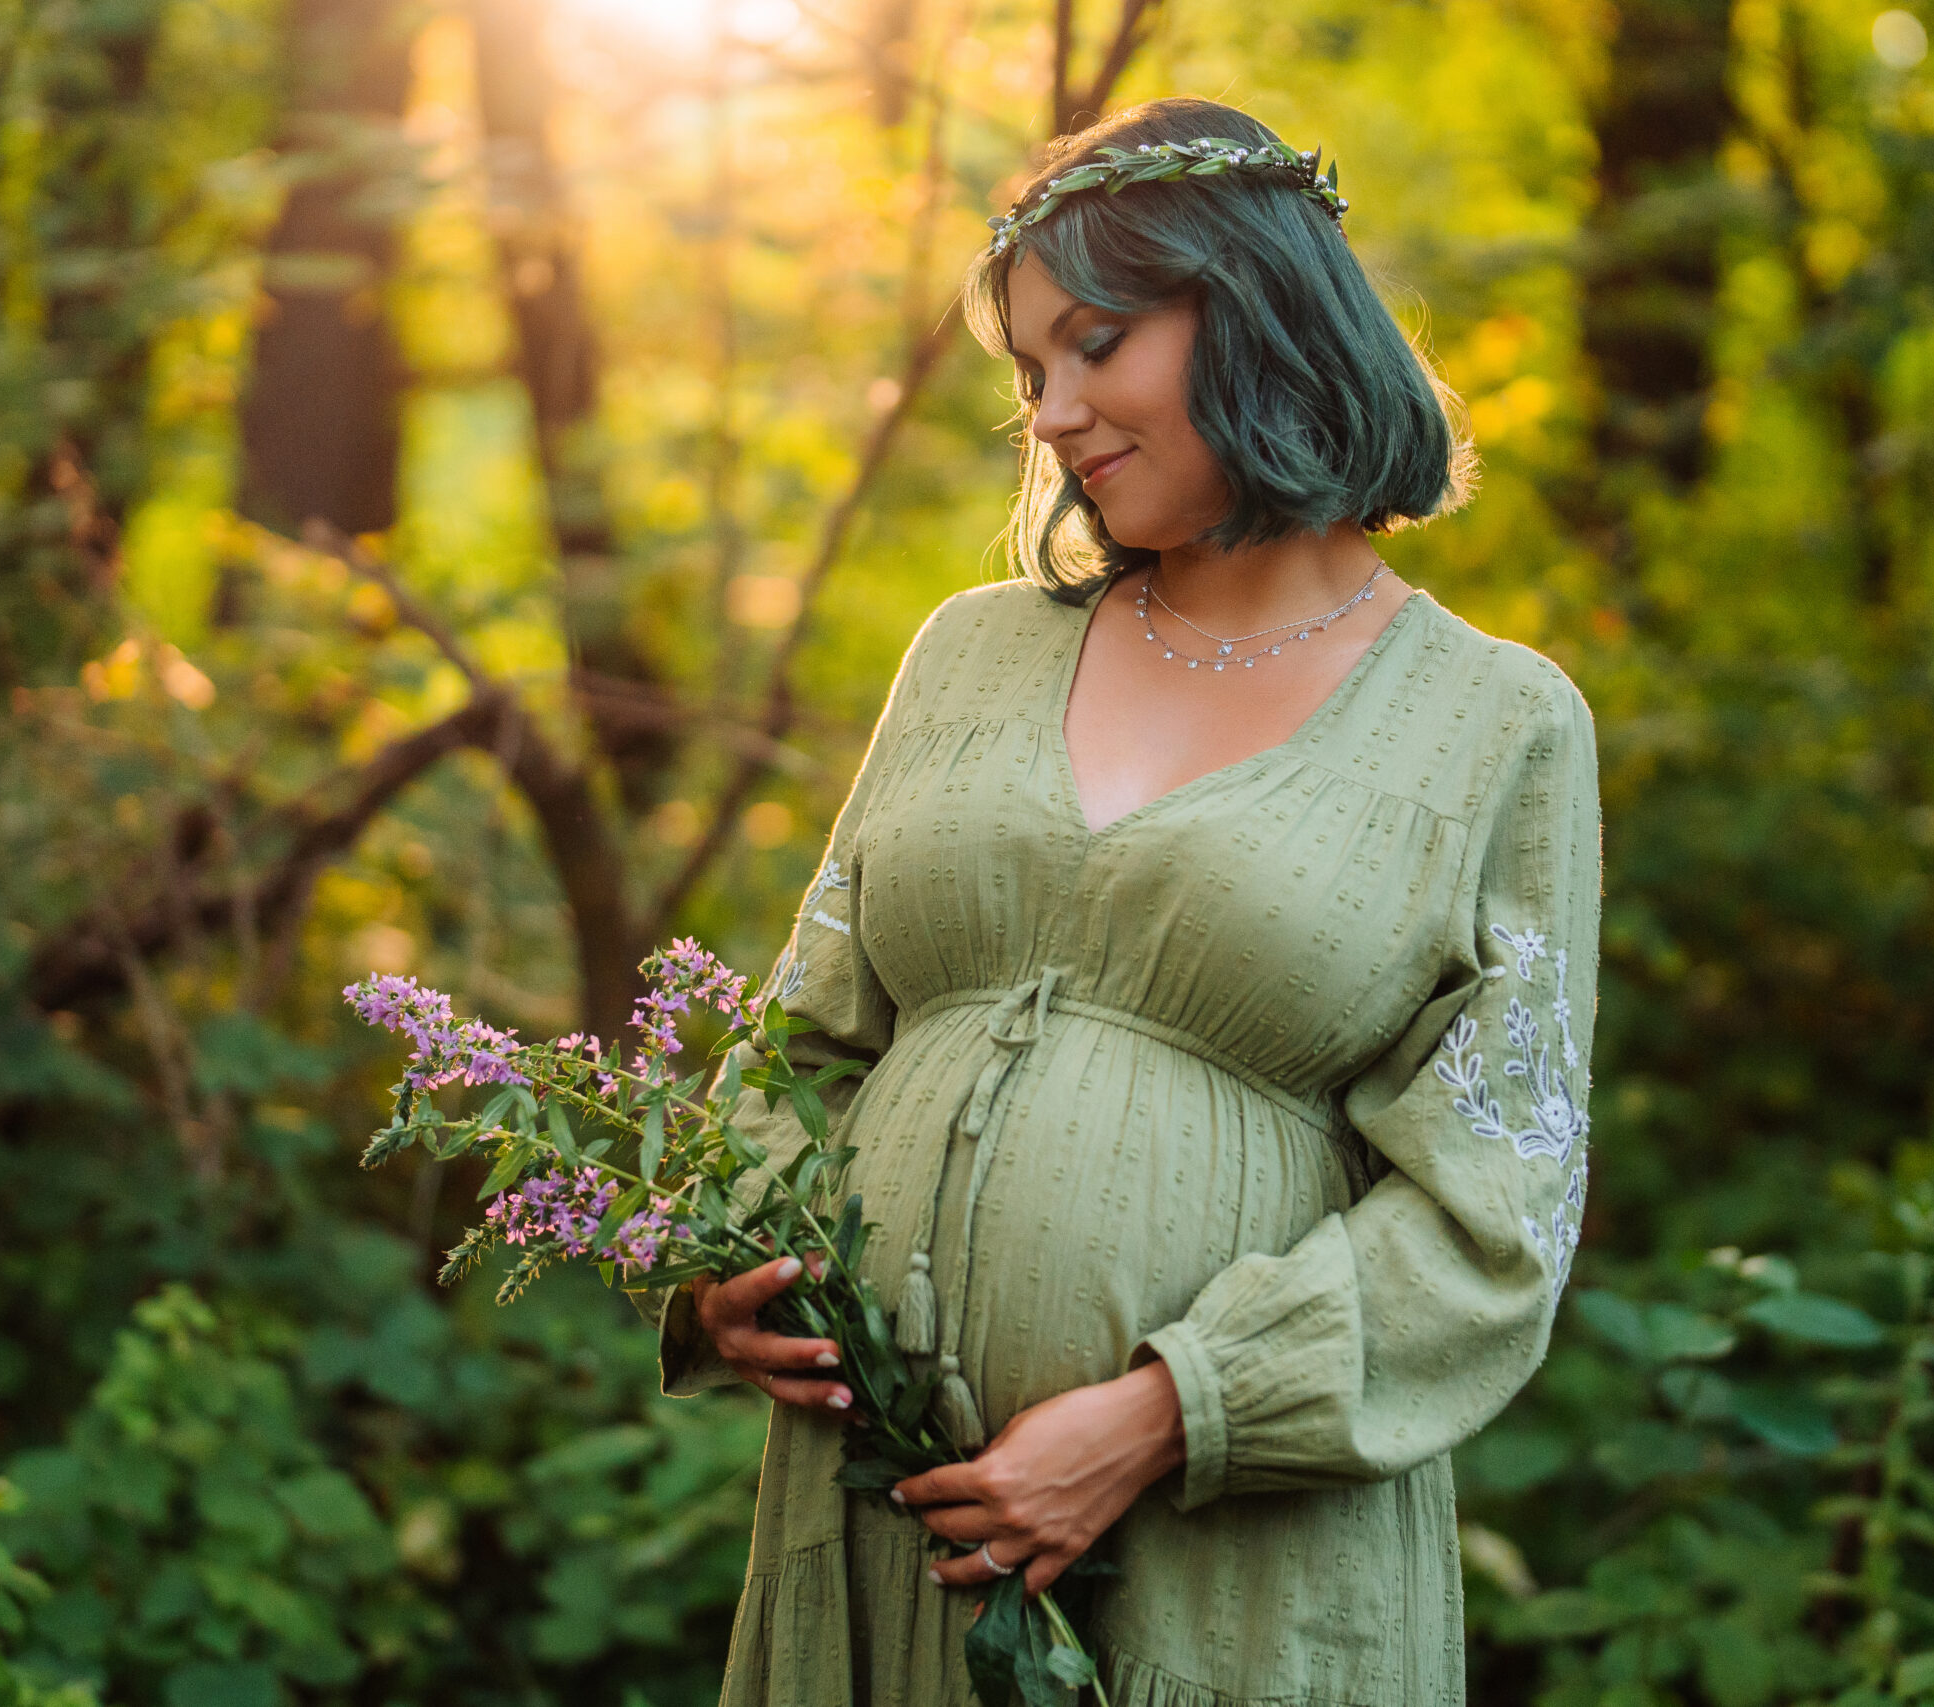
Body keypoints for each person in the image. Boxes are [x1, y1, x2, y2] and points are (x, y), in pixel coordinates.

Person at [658, 95, 1601, 1706]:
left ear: (1259, 311)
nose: (1052, 414)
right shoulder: (972, 652)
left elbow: (1490, 1223)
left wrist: (1167, 1413)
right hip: (874, 1529)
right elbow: (804, 1048)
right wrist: (723, 1269)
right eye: (1031, 372)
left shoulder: (1496, 723)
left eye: (1096, 345)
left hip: (1227, 1574)